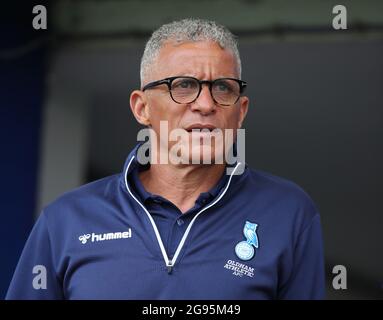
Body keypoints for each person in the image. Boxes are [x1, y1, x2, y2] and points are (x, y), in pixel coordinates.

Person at [6, 18, 325, 299]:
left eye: (223, 88)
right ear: (141, 108)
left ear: (240, 112)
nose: (205, 104)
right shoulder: (66, 220)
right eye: (183, 85)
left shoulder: (288, 213)